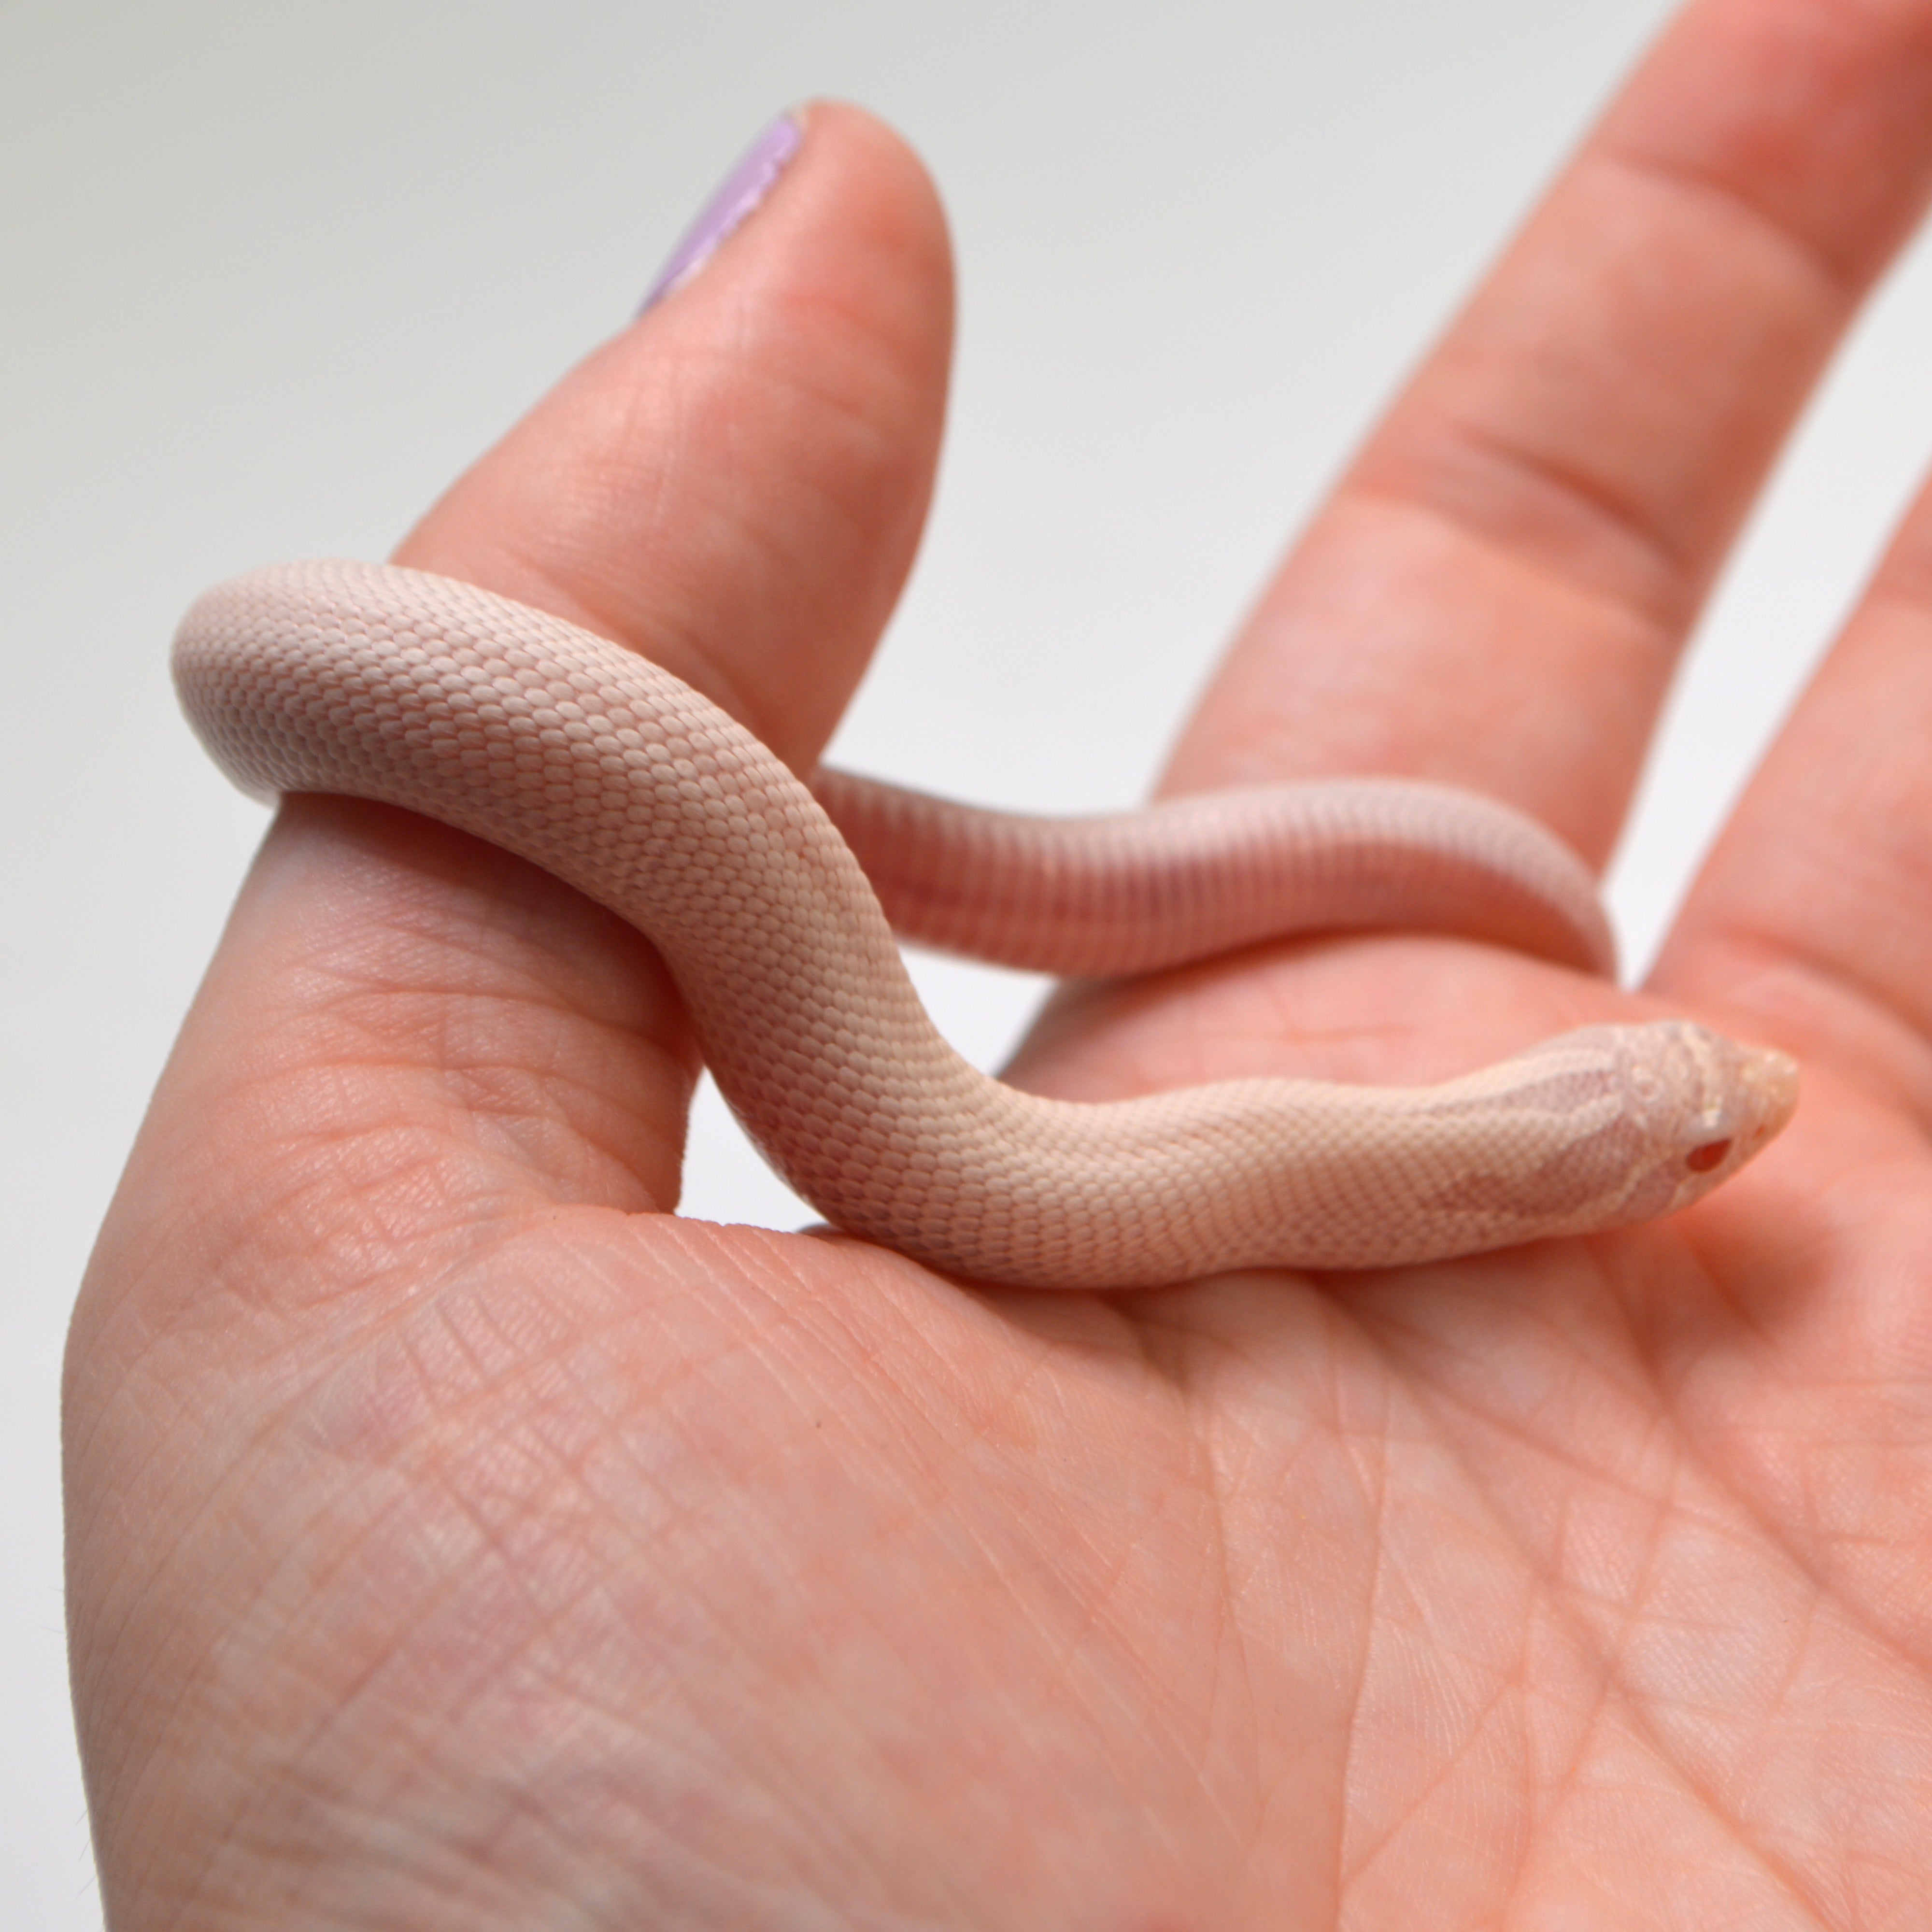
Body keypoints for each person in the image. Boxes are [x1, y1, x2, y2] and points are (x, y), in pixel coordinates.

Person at [68, 1, 1932, 1918]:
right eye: (1697, 1142)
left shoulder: (1317, 1170)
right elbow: (259, 650)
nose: (1731, 1138)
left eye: (1691, 1145)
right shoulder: (1365, 1169)